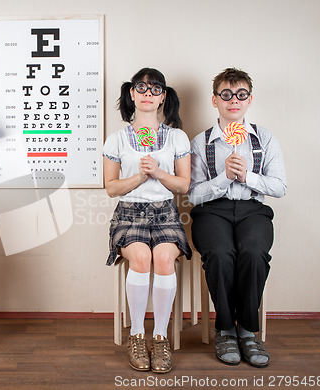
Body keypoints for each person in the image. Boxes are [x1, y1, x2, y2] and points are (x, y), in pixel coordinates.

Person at [188, 68, 287, 368]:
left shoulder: (265, 138)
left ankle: (247, 330)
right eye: (226, 95)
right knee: (219, 254)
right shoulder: (200, 143)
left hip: (252, 210)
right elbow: (193, 195)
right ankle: (226, 330)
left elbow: (280, 187)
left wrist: (249, 177)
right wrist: (222, 178)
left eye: (241, 95)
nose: (234, 101)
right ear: (215, 100)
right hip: (212, 211)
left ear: (249, 100)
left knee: (254, 253)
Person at [103, 68, 192, 373]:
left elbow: (183, 185)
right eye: (142, 88)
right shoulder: (116, 139)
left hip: (166, 212)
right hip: (129, 213)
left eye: (155, 89)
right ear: (132, 93)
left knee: (163, 259)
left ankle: (161, 337)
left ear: (163, 97)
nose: (148, 94)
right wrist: (140, 176)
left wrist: (158, 173)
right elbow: (112, 188)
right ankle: (138, 335)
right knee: (141, 257)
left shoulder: (176, 137)